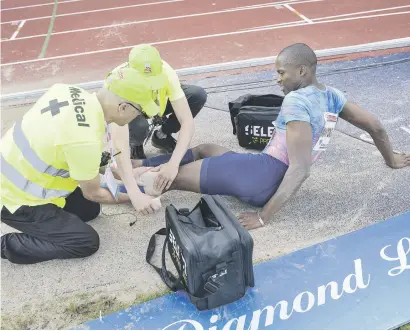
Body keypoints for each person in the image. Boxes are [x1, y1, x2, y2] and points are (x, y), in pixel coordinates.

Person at [131, 43, 410, 230]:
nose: (277, 79)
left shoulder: (296, 103)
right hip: (262, 172)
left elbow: (301, 169)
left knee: (166, 180)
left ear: (301, 70)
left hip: (260, 177)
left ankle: (122, 183)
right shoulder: (333, 95)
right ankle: (139, 166)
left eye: (280, 72)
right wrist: (391, 160)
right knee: (205, 148)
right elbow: (376, 127)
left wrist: (263, 217)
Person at [0, 67, 162, 264]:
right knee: (85, 242)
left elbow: (74, 157)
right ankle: (6, 246)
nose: (138, 118)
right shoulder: (84, 140)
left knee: (91, 210)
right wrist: (135, 198)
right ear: (123, 107)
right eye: (140, 112)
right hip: (14, 199)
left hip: (16, 173)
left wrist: (127, 176)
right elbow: (92, 192)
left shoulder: (68, 91)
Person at [112, 45, 207, 183]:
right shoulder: (117, 81)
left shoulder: (167, 72)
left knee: (197, 95)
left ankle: (162, 135)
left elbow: (186, 121)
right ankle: (136, 144)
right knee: (140, 125)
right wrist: (127, 173)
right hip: (135, 110)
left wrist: (173, 164)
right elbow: (116, 134)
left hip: (157, 105)